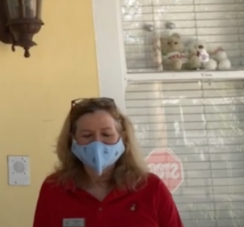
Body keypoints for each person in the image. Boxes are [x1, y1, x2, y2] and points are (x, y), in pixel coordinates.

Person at [33, 97, 183, 227]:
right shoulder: (54, 189)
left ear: (123, 138)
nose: (97, 144)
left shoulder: (151, 188)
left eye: (106, 134)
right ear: (72, 141)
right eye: (87, 135)